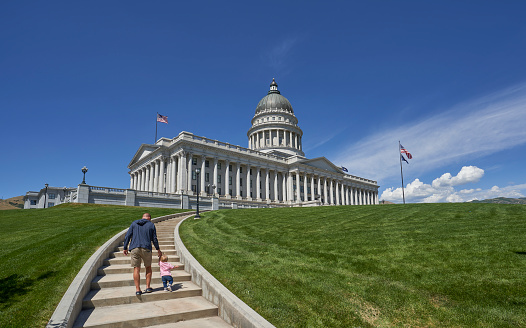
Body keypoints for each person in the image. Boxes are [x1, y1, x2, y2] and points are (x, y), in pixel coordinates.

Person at [123, 213, 162, 295]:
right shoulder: (151, 225)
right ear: (149, 218)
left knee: (136, 269)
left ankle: (138, 289)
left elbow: (128, 236)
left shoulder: (134, 223)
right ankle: (148, 287)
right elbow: (154, 239)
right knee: (148, 267)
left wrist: (125, 247)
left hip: (134, 248)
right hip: (146, 248)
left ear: (142, 218)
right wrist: (158, 249)